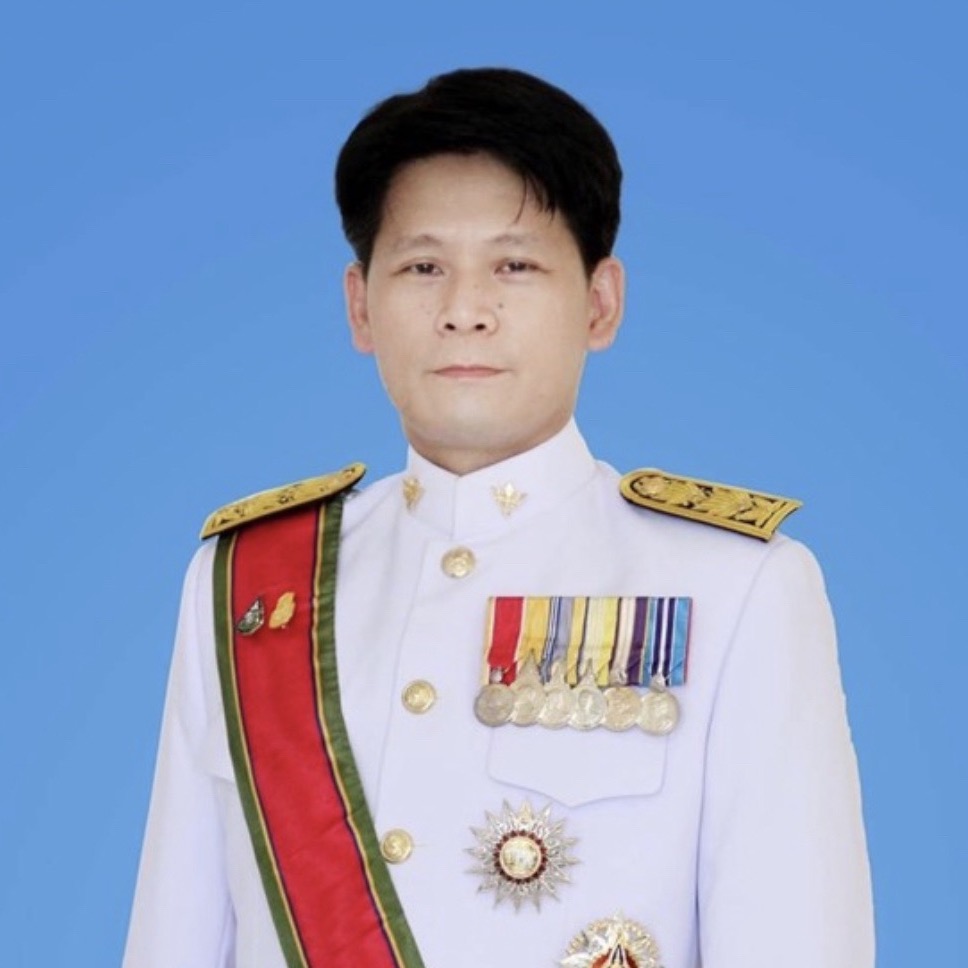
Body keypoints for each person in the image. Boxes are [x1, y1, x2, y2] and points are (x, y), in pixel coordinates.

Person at [123, 68, 874, 968]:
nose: (464, 312)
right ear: (360, 306)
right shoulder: (249, 586)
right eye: (423, 267)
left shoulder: (740, 585)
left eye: (514, 266)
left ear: (600, 302)